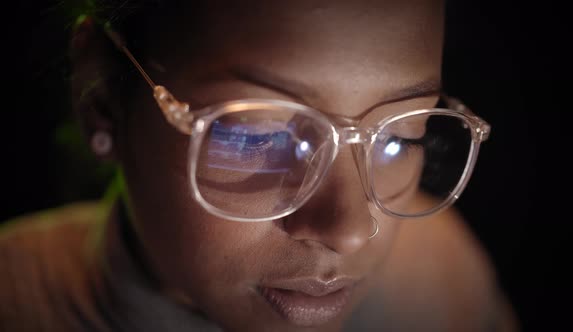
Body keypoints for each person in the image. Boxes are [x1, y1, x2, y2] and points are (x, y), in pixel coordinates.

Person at [0, 0, 518, 331]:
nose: (352, 230)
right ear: (101, 100)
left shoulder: (445, 288)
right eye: (261, 135)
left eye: (397, 139)